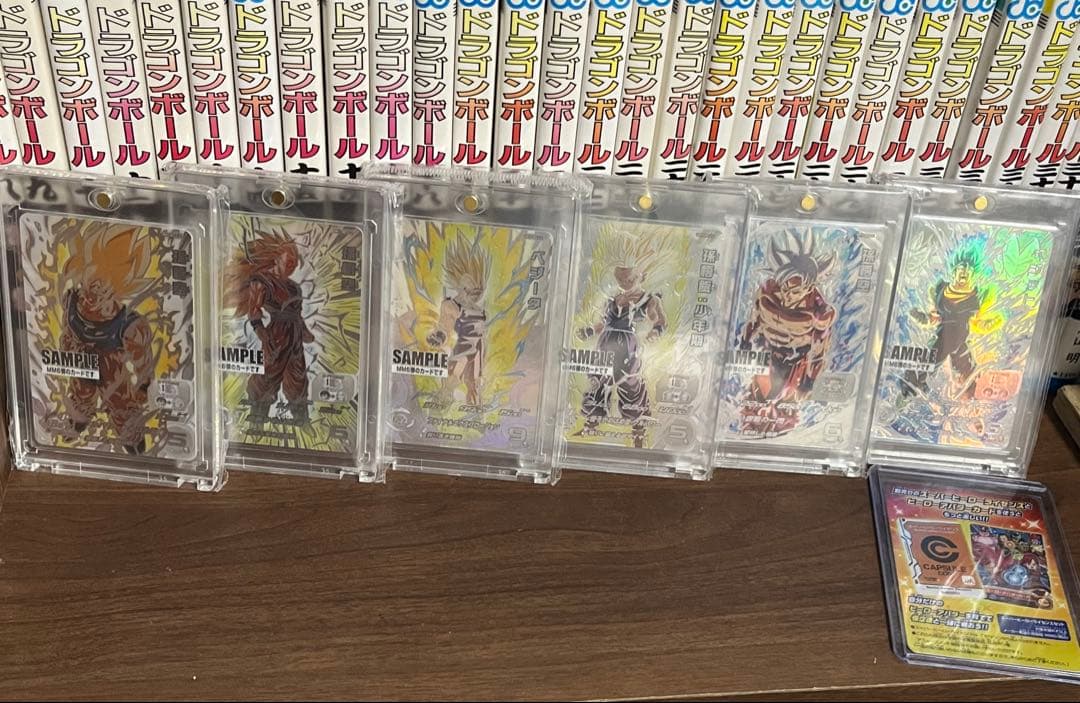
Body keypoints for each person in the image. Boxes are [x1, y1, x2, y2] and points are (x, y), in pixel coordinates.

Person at [60, 225, 154, 454]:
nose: (90, 295)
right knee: (81, 391)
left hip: (111, 365)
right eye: (89, 286)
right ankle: (80, 415)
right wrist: (68, 349)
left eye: (100, 289)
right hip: (81, 358)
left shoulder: (128, 324)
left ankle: (129, 432)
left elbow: (142, 357)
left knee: (120, 400)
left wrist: (144, 384)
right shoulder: (72, 301)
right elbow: (68, 329)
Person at [739, 231, 836, 436]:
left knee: (786, 412)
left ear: (809, 287)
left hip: (796, 362)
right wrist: (745, 341)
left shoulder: (819, 311)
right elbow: (755, 318)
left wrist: (810, 380)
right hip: (767, 354)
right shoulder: (768, 292)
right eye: (784, 288)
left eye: (795, 291)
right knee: (754, 403)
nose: (787, 296)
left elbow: (819, 350)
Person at [225, 230, 313, 423]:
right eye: (288, 262)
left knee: (298, 378)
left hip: (295, 336)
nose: (291, 267)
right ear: (277, 259)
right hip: (277, 334)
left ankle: (302, 421)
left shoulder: (294, 287)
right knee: (268, 376)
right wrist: (263, 334)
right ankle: (257, 419)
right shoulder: (262, 281)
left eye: (294, 264)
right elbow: (254, 311)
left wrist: (305, 333)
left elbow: (297, 314)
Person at [427, 237, 490, 406]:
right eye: (471, 287)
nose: (475, 291)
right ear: (462, 286)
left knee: (474, 385)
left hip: (478, 351)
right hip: (463, 350)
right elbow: (444, 326)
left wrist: (484, 351)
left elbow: (483, 334)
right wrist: (439, 336)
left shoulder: (479, 309)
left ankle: (475, 412)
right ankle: (441, 402)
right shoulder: (452, 305)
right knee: (452, 380)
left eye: (478, 288)